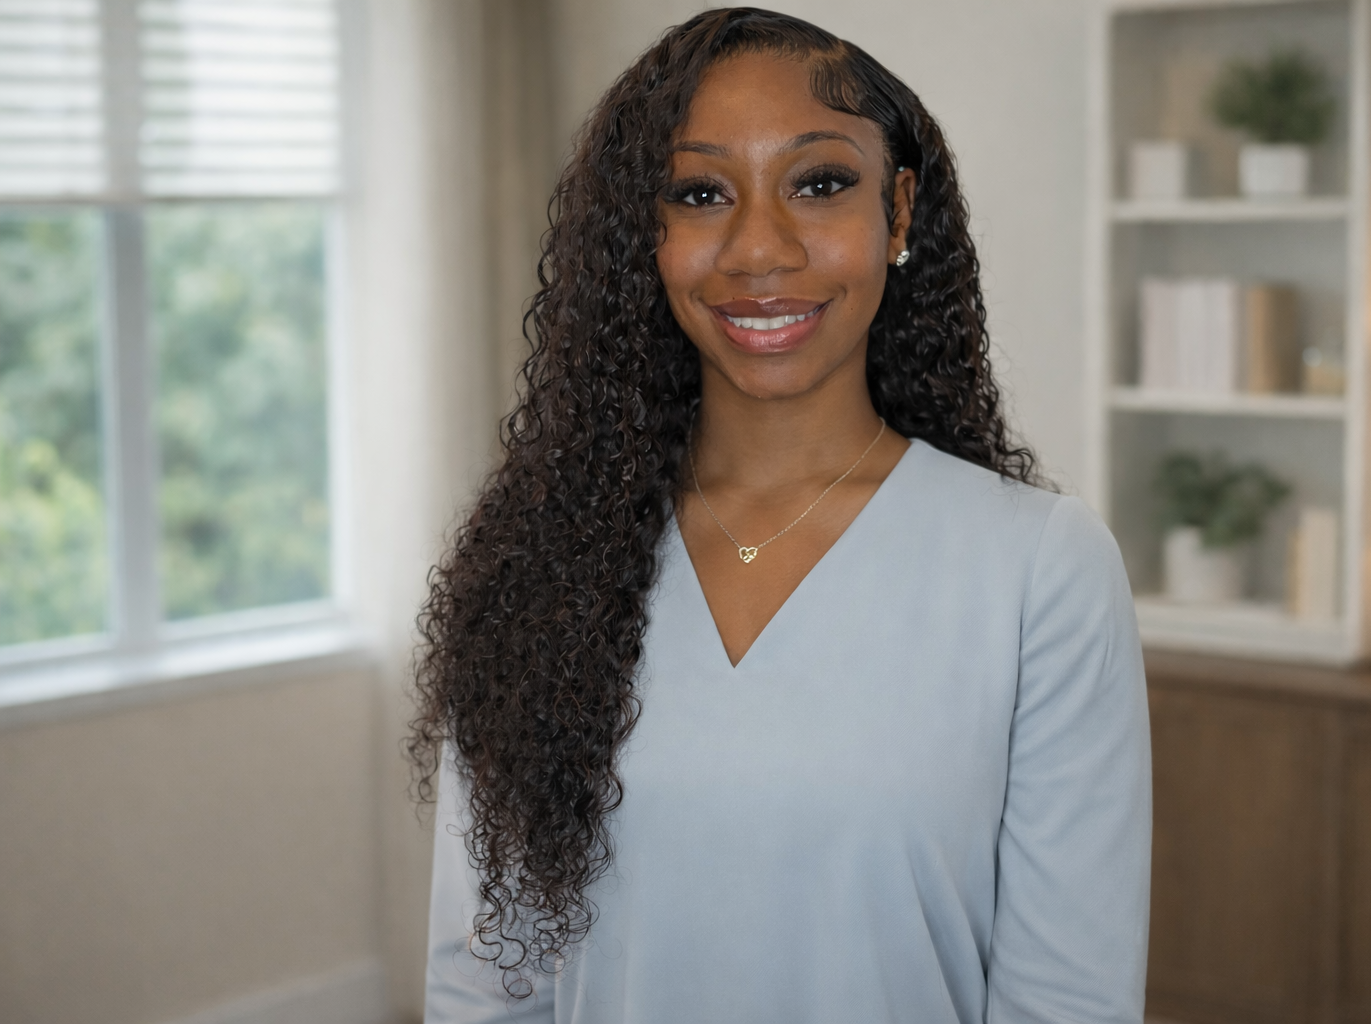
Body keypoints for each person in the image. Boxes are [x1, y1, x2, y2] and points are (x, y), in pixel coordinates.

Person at [411, 9, 1150, 1023]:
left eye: (818, 183)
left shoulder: (1040, 572)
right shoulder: (541, 564)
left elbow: (1071, 1000)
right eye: (702, 192)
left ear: (898, 213)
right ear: (647, 235)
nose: (760, 246)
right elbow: (485, 981)